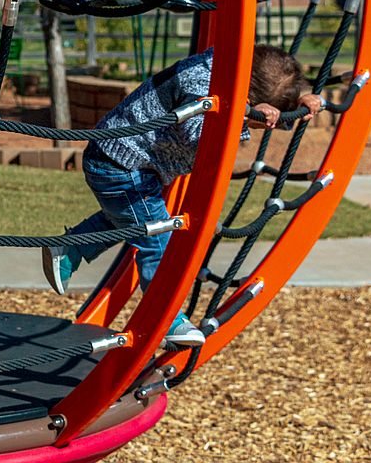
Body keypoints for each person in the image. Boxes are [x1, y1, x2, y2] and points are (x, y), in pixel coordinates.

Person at [42, 45, 323, 346]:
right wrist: (245, 116)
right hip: (120, 162)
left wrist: (297, 101)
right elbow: (202, 137)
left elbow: (268, 99)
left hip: (130, 163)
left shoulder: (229, 67)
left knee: (131, 218)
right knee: (158, 241)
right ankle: (165, 319)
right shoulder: (201, 82)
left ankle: (70, 248)